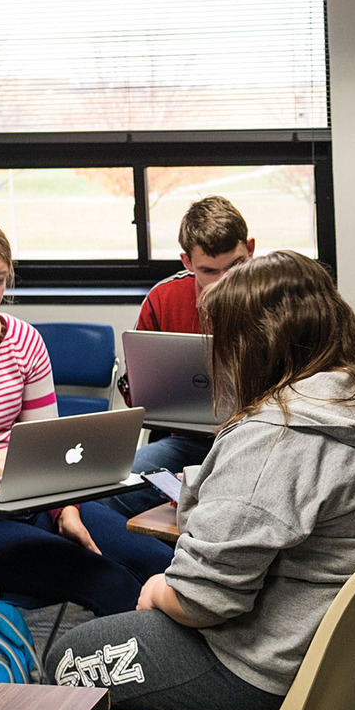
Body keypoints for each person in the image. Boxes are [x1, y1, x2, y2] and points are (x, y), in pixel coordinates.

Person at [49, 250, 355, 710]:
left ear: (258, 344)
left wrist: (155, 590)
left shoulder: (277, 438)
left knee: (68, 657)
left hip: (260, 672)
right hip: (343, 666)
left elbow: (200, 603)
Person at [0, 216, 170, 616]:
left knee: (159, 562)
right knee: (111, 584)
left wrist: (67, 511)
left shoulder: (23, 341)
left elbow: (50, 445)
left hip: (30, 500)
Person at [112, 195, 256, 515]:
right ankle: (153, 563)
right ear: (187, 262)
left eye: (234, 266)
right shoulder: (164, 299)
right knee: (114, 490)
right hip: (188, 443)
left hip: (258, 442)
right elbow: (138, 394)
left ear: (251, 249)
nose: (224, 282)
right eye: (208, 271)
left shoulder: (274, 297)